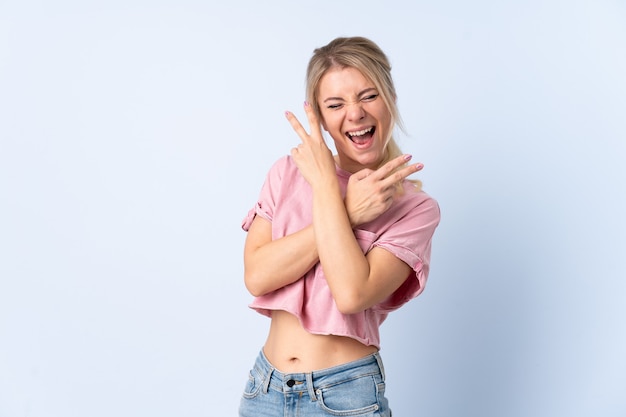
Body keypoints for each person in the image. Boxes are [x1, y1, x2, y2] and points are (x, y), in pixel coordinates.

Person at [239, 36, 440, 417]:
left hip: (345, 396)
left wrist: (327, 192)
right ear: (319, 117)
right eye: (335, 104)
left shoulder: (415, 208)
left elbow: (352, 294)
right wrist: (344, 208)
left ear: (390, 99)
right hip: (264, 389)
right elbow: (257, 276)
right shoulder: (287, 173)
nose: (355, 114)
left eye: (368, 96)